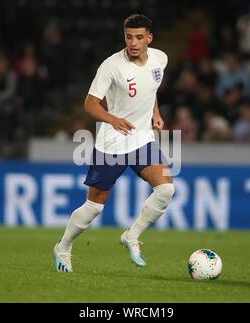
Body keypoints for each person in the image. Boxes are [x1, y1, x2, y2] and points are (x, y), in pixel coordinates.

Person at [53, 14, 175, 272]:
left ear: (149, 39)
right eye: (129, 37)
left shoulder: (159, 59)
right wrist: (112, 119)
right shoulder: (112, 66)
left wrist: (155, 112)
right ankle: (63, 246)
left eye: (139, 37)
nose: (133, 42)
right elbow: (89, 103)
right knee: (95, 206)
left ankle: (132, 235)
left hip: (141, 139)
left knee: (166, 189)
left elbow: (150, 88)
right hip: (112, 144)